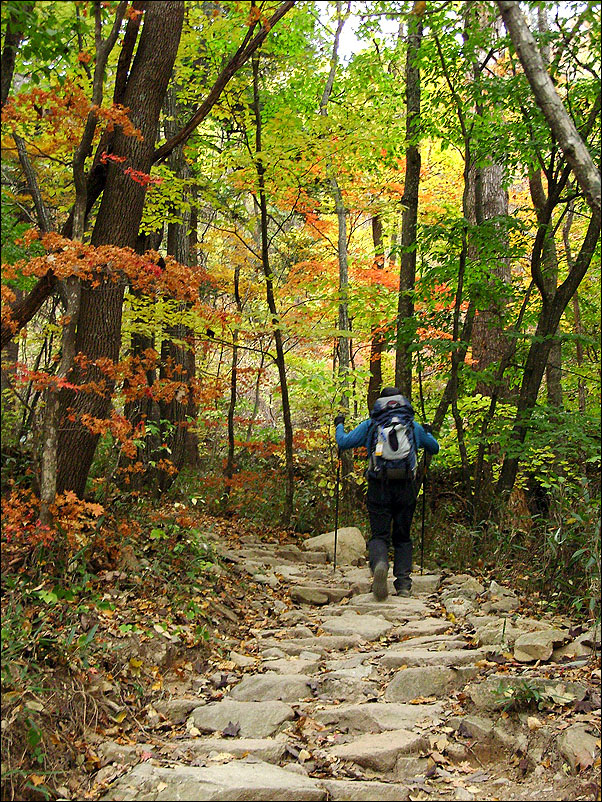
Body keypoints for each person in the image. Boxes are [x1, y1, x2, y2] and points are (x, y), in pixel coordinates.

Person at [334, 387, 439, 600]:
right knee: (402, 536)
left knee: (379, 535)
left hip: (378, 486)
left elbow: (343, 442)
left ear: (380, 404)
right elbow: (434, 448)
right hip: (406, 487)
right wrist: (427, 432)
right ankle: (403, 585)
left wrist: (339, 424)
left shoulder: (372, 425)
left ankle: (380, 563)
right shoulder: (411, 426)